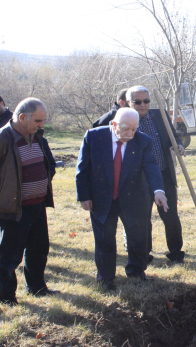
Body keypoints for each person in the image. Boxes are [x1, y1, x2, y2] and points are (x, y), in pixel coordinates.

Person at [0, 98, 58, 305]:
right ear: (22, 117)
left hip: (37, 205)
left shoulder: (37, 137)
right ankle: (6, 297)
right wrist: (1, 197)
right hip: (12, 209)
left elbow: (49, 165)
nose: (42, 125)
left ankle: (37, 287)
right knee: (10, 255)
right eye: (38, 120)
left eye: (43, 120)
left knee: (39, 249)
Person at [76, 108, 168, 291]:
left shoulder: (143, 141)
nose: (131, 134)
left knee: (138, 239)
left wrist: (158, 191)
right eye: (126, 129)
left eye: (134, 129)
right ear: (114, 124)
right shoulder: (93, 137)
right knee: (104, 240)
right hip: (102, 198)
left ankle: (136, 272)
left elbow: (151, 166)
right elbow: (82, 169)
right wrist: (84, 196)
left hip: (134, 198)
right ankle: (105, 279)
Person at [126, 86, 186, 263]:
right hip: (139, 179)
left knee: (171, 216)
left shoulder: (160, 114)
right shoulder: (126, 120)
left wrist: (178, 144)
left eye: (146, 101)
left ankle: (175, 253)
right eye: (137, 102)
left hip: (164, 173)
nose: (142, 105)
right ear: (129, 103)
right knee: (143, 217)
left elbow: (173, 135)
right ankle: (144, 254)